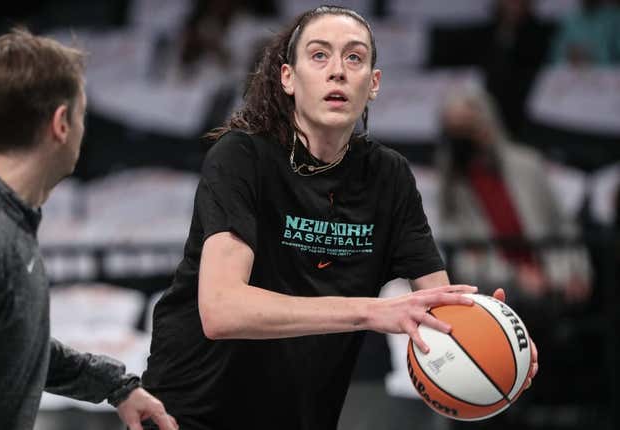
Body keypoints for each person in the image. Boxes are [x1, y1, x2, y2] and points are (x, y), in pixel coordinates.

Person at [141, 6, 538, 430]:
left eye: (354, 58)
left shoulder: (389, 178)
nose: (338, 72)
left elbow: (435, 308)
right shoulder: (242, 158)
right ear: (287, 78)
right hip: (187, 414)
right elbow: (222, 311)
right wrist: (369, 312)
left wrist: (491, 337)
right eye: (318, 55)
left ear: (374, 84)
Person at [0, 29, 178, 430]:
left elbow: (12, 344)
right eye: (83, 115)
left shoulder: (3, 223)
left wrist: (115, 386)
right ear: (62, 123)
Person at [436, 82, 591, 303]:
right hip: (498, 291)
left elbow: (562, 223)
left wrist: (576, 271)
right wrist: (515, 276)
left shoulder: (527, 164)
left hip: (555, 277)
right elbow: (462, 258)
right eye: (456, 132)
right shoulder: (452, 183)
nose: (465, 139)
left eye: (469, 127)